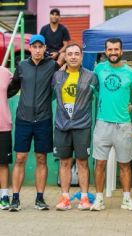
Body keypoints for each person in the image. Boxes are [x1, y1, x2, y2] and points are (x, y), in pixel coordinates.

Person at [7, 34, 63, 212]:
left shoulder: (52, 66)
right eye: (34, 46)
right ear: (29, 48)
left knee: (41, 158)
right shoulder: (21, 66)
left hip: (44, 120)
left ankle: (40, 198)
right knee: (20, 158)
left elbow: (66, 64)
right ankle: (15, 199)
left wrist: (58, 56)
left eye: (41, 46)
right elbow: (12, 87)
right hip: (23, 120)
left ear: (45, 48)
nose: (37, 50)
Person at [90, 38, 132, 211]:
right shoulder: (98, 69)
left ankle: (126, 199)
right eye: (110, 49)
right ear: (105, 52)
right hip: (102, 123)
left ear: (121, 51)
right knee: (99, 163)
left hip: (123, 124)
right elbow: (90, 88)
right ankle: (98, 199)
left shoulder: (131, 73)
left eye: (116, 49)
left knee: (125, 164)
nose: (113, 52)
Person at [52, 43, 98, 211]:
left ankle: (84, 198)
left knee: (82, 162)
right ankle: (65, 198)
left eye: (76, 54)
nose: (72, 56)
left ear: (81, 57)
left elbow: (101, 97)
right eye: (69, 53)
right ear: (65, 56)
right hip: (62, 125)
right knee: (64, 162)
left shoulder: (91, 77)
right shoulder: (57, 76)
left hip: (82, 125)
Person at [0, 66, 14, 210]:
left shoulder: (5, 73)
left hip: (3, 125)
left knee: (3, 163)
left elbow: (17, 84)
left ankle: (4, 196)